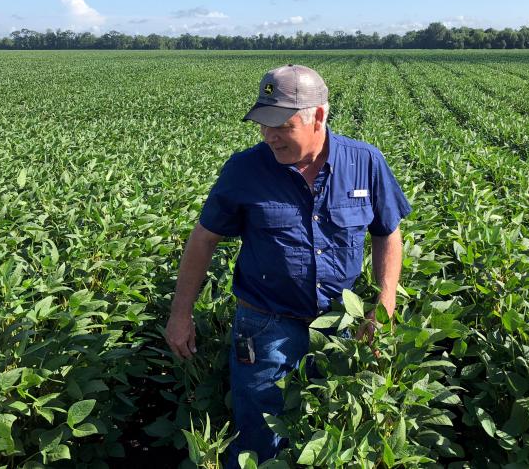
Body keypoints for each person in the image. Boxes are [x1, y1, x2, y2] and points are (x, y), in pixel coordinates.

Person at [164, 64, 411, 466]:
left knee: (332, 433)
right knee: (258, 436)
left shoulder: (365, 161)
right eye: (263, 123)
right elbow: (203, 239)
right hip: (264, 325)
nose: (270, 135)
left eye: (282, 124)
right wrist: (180, 314)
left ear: (319, 115)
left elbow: (388, 232)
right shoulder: (245, 169)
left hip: (339, 324)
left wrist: (385, 303)